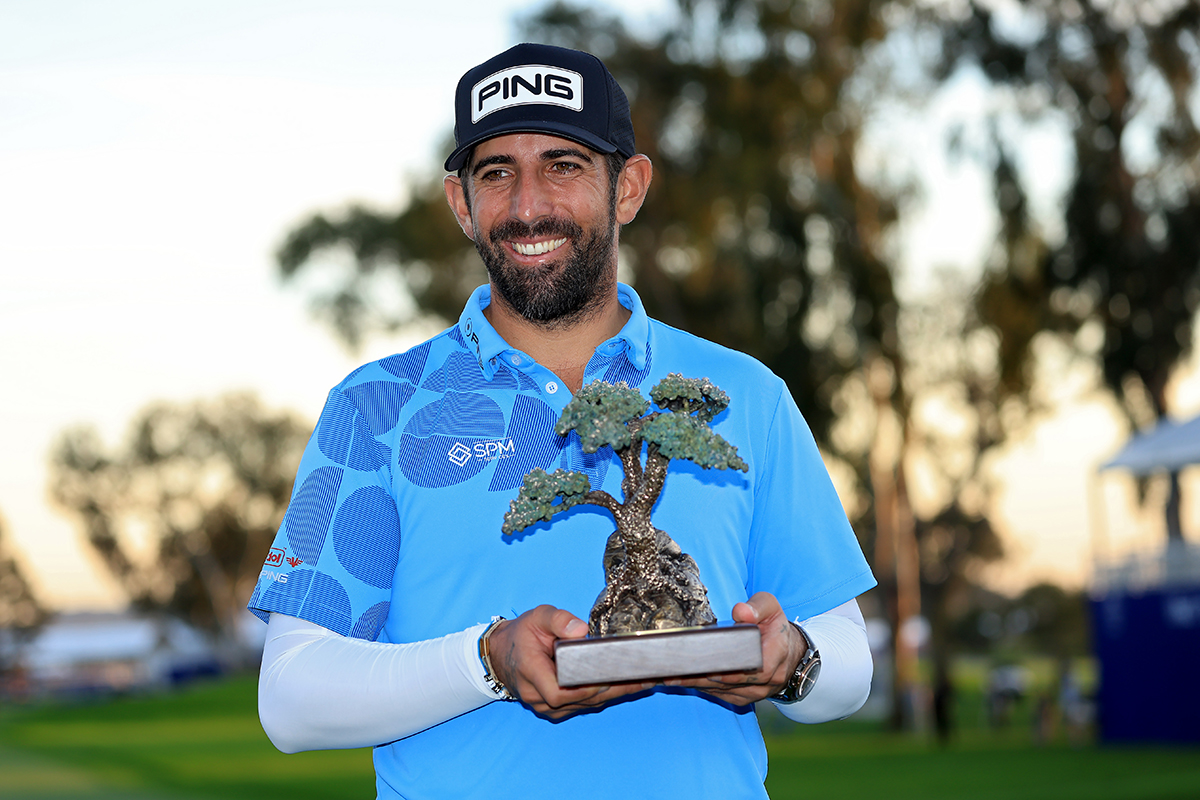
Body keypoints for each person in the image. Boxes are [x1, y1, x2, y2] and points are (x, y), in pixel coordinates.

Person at [250, 43, 876, 800]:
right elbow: (289, 698)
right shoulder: (376, 408)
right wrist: (489, 660)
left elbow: (850, 661)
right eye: (496, 173)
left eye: (564, 165)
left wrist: (792, 658)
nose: (527, 206)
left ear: (629, 188)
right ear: (461, 203)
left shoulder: (746, 394)